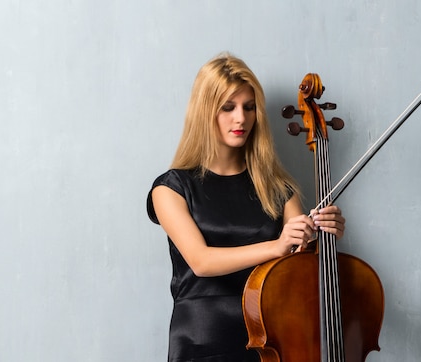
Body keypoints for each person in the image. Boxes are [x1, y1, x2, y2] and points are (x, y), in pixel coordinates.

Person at [146, 53, 346, 362]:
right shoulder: (171, 188)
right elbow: (201, 261)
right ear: (204, 112)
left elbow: (297, 265)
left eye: (249, 107)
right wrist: (277, 245)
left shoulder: (279, 189)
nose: (241, 118)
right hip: (203, 343)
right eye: (228, 107)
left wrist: (323, 236)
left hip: (272, 340)